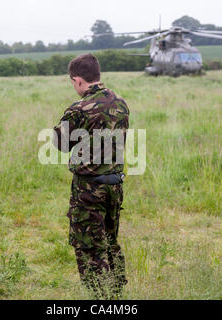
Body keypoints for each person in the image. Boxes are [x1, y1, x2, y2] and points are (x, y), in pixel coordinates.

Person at [53, 53, 130, 299]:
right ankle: (117, 294)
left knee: (89, 249)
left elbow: (60, 143)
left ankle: (99, 300)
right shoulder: (120, 102)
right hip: (114, 187)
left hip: (88, 191)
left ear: (77, 80)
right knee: (110, 241)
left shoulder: (78, 109)